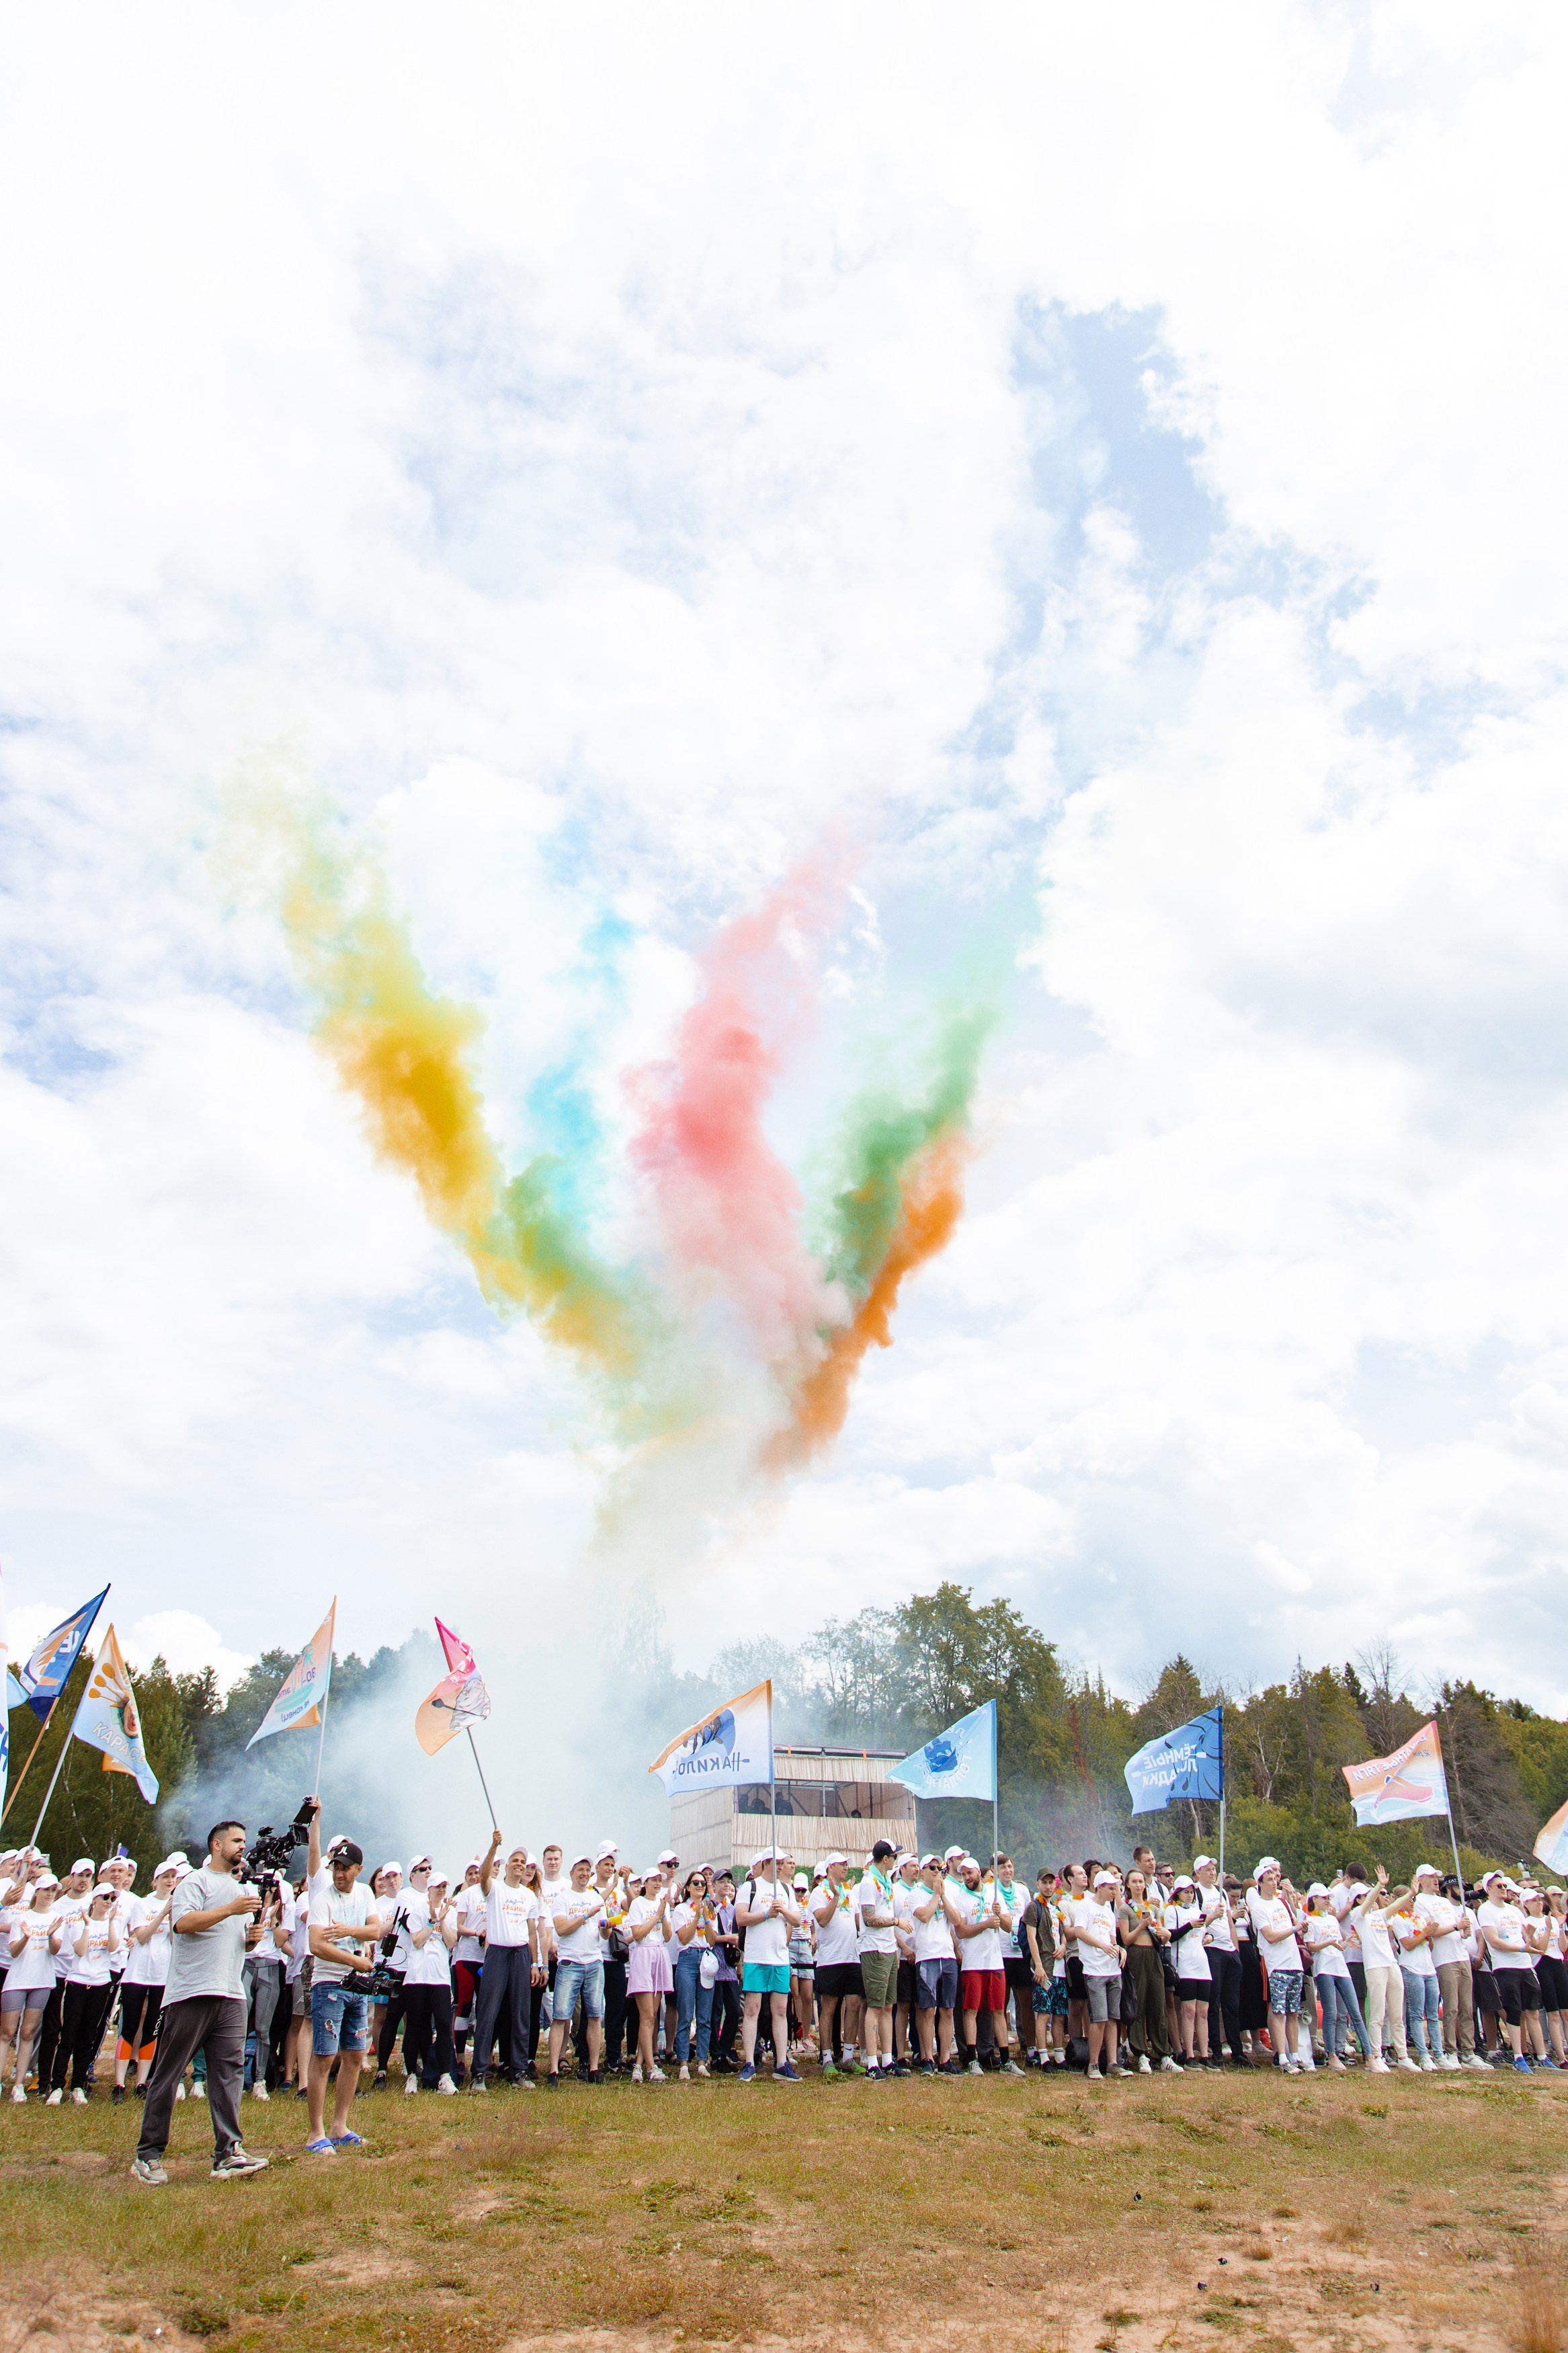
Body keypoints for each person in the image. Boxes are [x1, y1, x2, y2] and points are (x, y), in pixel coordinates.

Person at [132, 1820, 269, 2185]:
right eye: (236, 1840)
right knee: (169, 2072)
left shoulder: (241, 1889)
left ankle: (228, 2153)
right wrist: (231, 1909)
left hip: (231, 1992)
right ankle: (148, 2155)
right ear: (216, 1845)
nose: (243, 1846)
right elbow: (183, 1923)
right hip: (192, 1991)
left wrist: (250, 1939)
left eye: (244, 1840)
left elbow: (231, 1941)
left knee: (229, 2073)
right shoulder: (195, 1881)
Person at [305, 1835, 379, 2153]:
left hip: (357, 1987)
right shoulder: (323, 1899)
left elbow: (376, 1930)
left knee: (355, 2055)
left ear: (359, 1870)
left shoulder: (365, 1893)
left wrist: (349, 1931)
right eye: (336, 1866)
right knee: (324, 2057)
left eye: (345, 1868)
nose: (339, 1873)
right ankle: (315, 2133)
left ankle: (339, 2126)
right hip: (329, 1985)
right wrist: (354, 1961)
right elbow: (316, 1945)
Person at [470, 1833, 542, 2091]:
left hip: (521, 1955)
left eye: (523, 1862)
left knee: (522, 2014)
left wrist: (535, 1964)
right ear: (507, 1866)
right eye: (515, 1861)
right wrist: (493, 1846)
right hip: (497, 1954)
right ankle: (479, 2073)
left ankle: (519, 2070)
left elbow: (532, 1932)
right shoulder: (495, 1889)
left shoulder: (529, 1897)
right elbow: (483, 1875)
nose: (520, 1865)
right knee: (488, 2013)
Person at [46, 1881, 124, 2102]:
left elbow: (113, 1947)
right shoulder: (79, 1922)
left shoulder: (113, 1922)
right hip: (78, 1983)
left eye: (112, 1899)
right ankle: (57, 2086)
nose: (109, 1902)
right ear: (95, 1900)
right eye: (105, 1898)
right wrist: (88, 1926)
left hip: (100, 1984)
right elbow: (79, 1951)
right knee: (68, 2036)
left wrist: (110, 1922)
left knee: (88, 2037)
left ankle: (78, 2085)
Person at [944, 1853, 1021, 2077]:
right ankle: (972, 2058)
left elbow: (1008, 1926)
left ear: (979, 1872)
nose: (967, 1877)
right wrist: (986, 1924)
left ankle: (1006, 2060)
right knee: (971, 2010)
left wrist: (999, 1916)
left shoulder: (993, 1893)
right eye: (963, 1874)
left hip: (995, 1962)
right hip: (973, 1963)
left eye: (970, 1873)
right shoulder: (961, 1898)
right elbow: (961, 1931)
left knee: (998, 2010)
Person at [736, 1848, 803, 2083]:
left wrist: (782, 1910)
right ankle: (749, 2062)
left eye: (783, 1863)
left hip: (780, 1959)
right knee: (752, 2009)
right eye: (777, 1863)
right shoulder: (750, 1887)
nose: (781, 1867)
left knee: (780, 2011)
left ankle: (782, 2063)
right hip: (756, 1958)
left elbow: (797, 1919)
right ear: (766, 1864)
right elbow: (741, 1918)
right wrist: (766, 1914)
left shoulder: (786, 1889)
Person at [116, 1859, 179, 2101]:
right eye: (165, 1877)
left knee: (152, 2028)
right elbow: (141, 1937)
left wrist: (172, 1916)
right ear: (156, 1881)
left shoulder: (178, 1905)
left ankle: (142, 2082)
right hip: (137, 1974)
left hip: (161, 1976)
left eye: (172, 1877)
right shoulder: (142, 1904)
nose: (169, 1881)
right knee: (130, 2027)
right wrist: (162, 1914)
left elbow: (176, 1941)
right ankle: (119, 2083)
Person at [546, 1852, 606, 2086]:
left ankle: (594, 2068)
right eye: (580, 1870)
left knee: (594, 2016)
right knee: (561, 2016)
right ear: (571, 1873)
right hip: (570, 1963)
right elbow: (561, 1929)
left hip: (594, 1962)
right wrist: (585, 1916)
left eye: (587, 1870)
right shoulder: (562, 1899)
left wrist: (607, 1928)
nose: (584, 1874)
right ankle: (554, 2070)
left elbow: (603, 1933)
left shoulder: (596, 1898)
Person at [1479, 1871, 1546, 2074]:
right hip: (1506, 1966)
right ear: (1488, 1889)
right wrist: (1521, 1948)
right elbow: (1494, 1941)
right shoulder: (1486, 1910)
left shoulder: (1515, 1911)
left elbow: (1528, 1939)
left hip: (1525, 1965)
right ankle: (1518, 2056)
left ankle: (1542, 2056)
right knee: (1514, 2011)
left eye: (1504, 1886)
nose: (1503, 1889)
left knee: (1533, 2011)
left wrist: (1531, 1939)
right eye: (1499, 1886)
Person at [1352, 1866, 1417, 2074]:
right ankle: (1376, 2056)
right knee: (1378, 2014)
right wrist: (1379, 1885)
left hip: (1391, 1964)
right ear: (1358, 1900)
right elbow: (1368, 1904)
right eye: (1365, 1896)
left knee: (1397, 2015)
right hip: (1375, 1967)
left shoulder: (1379, 1915)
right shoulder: (1358, 1916)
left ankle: (1403, 2056)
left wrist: (1411, 1894)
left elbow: (1395, 1906)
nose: (1371, 1898)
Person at [3, 1872, 63, 2101]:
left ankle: (18, 2084)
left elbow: (55, 1950)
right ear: (37, 1892)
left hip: (42, 1981)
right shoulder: (22, 1918)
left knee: (28, 2032)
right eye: (46, 1890)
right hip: (18, 1979)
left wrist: (50, 1936)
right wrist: (26, 1938)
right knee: (7, 2032)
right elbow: (14, 1952)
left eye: (53, 1891)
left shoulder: (57, 1918)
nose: (49, 1894)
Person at [402, 1866, 460, 2093]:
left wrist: (442, 1920)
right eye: (438, 1887)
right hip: (417, 1975)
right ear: (430, 1889)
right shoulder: (417, 1908)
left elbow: (451, 1942)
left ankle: (444, 2077)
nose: (442, 1890)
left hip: (440, 1977)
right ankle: (411, 2075)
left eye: (445, 1887)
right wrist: (432, 1920)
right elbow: (417, 1941)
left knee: (444, 2025)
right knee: (415, 2024)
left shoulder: (450, 1912)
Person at [1246, 1860, 1308, 2075]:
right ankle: (1281, 2056)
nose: (1274, 1882)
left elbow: (1296, 1925)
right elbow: (1270, 1936)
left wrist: (1297, 1919)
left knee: (1293, 2011)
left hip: (1294, 1962)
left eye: (1275, 1878)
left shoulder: (1281, 1902)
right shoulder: (1259, 1907)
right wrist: (1294, 1929)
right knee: (1279, 2011)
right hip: (1277, 1965)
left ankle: (1295, 2054)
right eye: (1269, 1879)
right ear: (1260, 1883)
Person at [1300, 1884, 1371, 2070]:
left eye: (1328, 1898)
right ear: (1314, 1899)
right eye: (1324, 1898)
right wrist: (1330, 1943)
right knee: (1330, 2013)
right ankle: (1331, 2055)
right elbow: (1311, 1947)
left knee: (1354, 2012)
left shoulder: (1332, 1919)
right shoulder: (1310, 1921)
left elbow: (1340, 1943)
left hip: (1341, 1968)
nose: (1327, 1901)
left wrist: (1345, 1942)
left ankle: (1370, 2055)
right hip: (1324, 1969)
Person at [1065, 1867, 1123, 2079]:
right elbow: (1079, 1932)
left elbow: (1112, 1939)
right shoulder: (1086, 1906)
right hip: (1094, 1970)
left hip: (1112, 1969)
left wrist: (1119, 1949)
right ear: (1100, 1887)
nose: (1114, 1893)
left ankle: (1113, 2062)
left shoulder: (1109, 1910)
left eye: (1115, 1889)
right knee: (1099, 2017)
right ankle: (1093, 2064)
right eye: (1111, 1888)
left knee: (1113, 2017)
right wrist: (1101, 1946)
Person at [1119, 1868, 1176, 2073]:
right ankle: (1141, 2053)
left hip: (1153, 1955)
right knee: (1138, 2004)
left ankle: (1164, 2054)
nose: (1138, 1885)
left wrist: (1165, 1934)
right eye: (1134, 1882)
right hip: (1136, 1955)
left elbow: (1161, 1934)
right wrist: (1142, 1924)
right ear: (1127, 1885)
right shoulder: (1125, 1909)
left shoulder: (1152, 1908)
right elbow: (1126, 1939)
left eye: (1141, 1881)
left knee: (1159, 2004)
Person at [811, 1853, 862, 2075]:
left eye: (846, 1865)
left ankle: (848, 2057)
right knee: (829, 2008)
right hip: (830, 1959)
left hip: (852, 1957)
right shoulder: (818, 1892)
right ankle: (827, 2058)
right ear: (830, 1867)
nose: (845, 1868)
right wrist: (835, 1897)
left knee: (854, 2004)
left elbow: (858, 1922)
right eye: (841, 1864)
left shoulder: (850, 1892)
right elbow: (822, 1920)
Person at [854, 1841, 901, 2077]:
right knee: (875, 2005)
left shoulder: (885, 1881)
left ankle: (888, 2060)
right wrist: (896, 1922)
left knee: (888, 2005)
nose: (895, 1860)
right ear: (885, 1859)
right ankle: (872, 2063)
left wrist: (895, 1949)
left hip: (888, 1948)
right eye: (894, 1856)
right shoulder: (868, 1883)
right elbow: (869, 1919)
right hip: (874, 1949)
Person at [626, 1867, 674, 2083]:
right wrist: (656, 1916)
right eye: (653, 1880)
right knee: (646, 2015)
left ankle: (639, 2065)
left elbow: (667, 1936)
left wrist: (663, 1914)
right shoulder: (638, 1904)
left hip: (659, 1954)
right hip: (644, 1955)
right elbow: (637, 1935)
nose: (657, 1884)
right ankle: (651, 2066)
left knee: (652, 2016)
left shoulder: (663, 1905)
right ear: (645, 1883)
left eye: (659, 1880)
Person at [1194, 1856, 1242, 2069]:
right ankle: (1215, 2050)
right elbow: (1196, 1923)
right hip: (1211, 1949)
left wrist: (1236, 1949)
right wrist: (1212, 1916)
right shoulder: (1196, 1893)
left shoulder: (1220, 1892)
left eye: (1213, 1869)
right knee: (1213, 2002)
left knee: (1232, 2003)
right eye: (1207, 1869)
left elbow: (1230, 1922)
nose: (1212, 1873)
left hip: (1228, 1950)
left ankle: (1238, 2051)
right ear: (1198, 1873)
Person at [1391, 1876, 1443, 2071]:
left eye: (1413, 1898)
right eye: (1409, 1898)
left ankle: (1439, 2053)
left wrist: (1429, 1937)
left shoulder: (1419, 1918)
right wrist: (1424, 1934)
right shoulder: (1398, 1920)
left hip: (1428, 1968)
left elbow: (1429, 1946)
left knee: (1433, 2014)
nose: (1412, 1902)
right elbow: (1407, 1944)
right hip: (1412, 1969)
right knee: (1416, 2014)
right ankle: (1423, 2055)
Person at [670, 1867, 714, 2082]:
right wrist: (696, 1916)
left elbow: (712, 1940)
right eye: (695, 1883)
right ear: (688, 1887)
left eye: (703, 1884)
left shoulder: (710, 1909)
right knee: (686, 2014)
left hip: (705, 1958)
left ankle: (702, 2061)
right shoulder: (681, 1909)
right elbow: (684, 1938)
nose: (700, 1886)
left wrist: (706, 1918)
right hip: (687, 1959)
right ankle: (684, 2062)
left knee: (705, 2016)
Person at [708, 1872, 742, 2071]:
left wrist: (739, 1964)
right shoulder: (710, 1906)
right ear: (714, 1885)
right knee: (715, 2012)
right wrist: (728, 1938)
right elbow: (710, 1937)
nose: (726, 1885)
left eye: (729, 1882)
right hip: (713, 1965)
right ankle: (716, 2055)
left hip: (729, 1967)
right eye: (722, 1882)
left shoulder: (732, 1909)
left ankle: (724, 2050)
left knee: (734, 2011)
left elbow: (738, 1936)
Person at [788, 1871, 818, 2059]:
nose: (800, 1894)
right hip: (791, 1947)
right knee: (795, 1994)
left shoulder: (809, 1905)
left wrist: (813, 1940)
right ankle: (794, 2035)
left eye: (803, 1891)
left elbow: (813, 1928)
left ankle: (806, 2035)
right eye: (797, 1890)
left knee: (807, 1995)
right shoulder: (790, 1903)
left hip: (805, 1948)